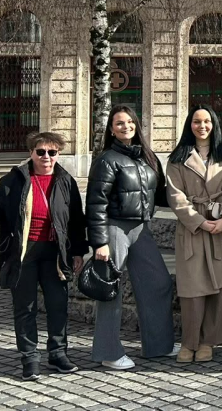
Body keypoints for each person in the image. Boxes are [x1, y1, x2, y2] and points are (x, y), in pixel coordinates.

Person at [0, 131, 86, 381]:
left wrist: (78, 251)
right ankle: (30, 358)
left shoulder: (66, 181)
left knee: (58, 305)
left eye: (52, 152)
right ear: (31, 153)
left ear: (58, 154)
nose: (47, 157)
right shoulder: (13, 180)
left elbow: (77, 220)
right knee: (25, 308)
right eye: (41, 152)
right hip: (23, 253)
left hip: (55, 254)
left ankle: (58, 354)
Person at [87, 105, 177, 369]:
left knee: (158, 283)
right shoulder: (106, 159)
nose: (125, 127)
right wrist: (99, 242)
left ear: (137, 125)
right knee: (110, 290)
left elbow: (161, 195)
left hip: (140, 228)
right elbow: (95, 203)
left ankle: (159, 345)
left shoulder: (147, 158)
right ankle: (109, 352)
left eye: (129, 122)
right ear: (111, 129)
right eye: (119, 123)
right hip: (114, 228)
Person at [164, 106, 222, 363]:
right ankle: (189, 341)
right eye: (197, 121)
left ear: (215, 124)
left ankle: (208, 341)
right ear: (189, 125)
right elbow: (175, 196)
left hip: (221, 228)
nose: (202, 126)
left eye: (207, 121)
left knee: (217, 287)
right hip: (193, 229)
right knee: (192, 289)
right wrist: (199, 221)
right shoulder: (177, 158)